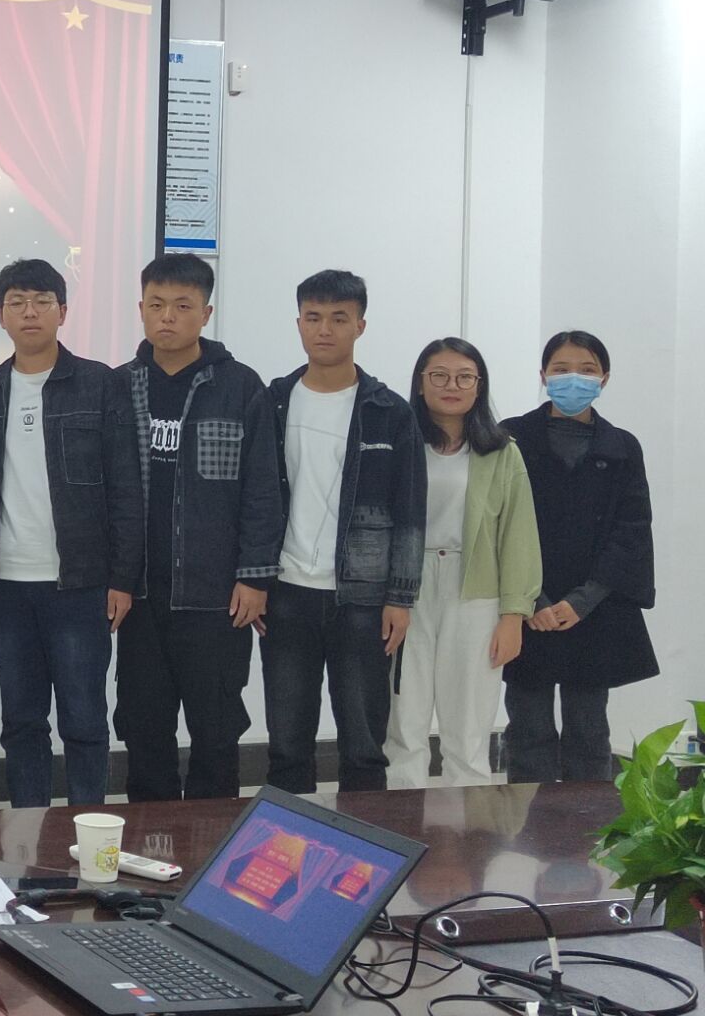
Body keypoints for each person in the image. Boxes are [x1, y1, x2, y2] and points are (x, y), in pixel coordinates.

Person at [0, 259, 144, 807]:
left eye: (42, 301)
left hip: (81, 585)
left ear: (63, 312)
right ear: (0, 315)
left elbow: (126, 487)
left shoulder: (100, 384)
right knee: (21, 722)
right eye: (17, 302)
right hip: (6, 586)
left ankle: (88, 832)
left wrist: (122, 578)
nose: (30, 312)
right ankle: (29, 835)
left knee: (84, 721)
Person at [115, 254, 284, 802]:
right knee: (144, 730)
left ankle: (212, 844)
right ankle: (150, 844)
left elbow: (263, 488)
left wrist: (255, 577)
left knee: (215, 733)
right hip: (141, 596)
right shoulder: (119, 386)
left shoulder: (239, 386)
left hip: (217, 599)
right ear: (141, 309)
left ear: (206, 314)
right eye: (157, 305)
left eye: (183, 306)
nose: (167, 317)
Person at [262, 270, 425, 794]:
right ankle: (288, 844)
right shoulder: (274, 402)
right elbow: (253, 500)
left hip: (364, 599)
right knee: (287, 743)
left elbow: (410, 511)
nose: (324, 329)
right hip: (286, 593)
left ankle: (362, 846)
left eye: (338, 318)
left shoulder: (389, 412)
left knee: (363, 744)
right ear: (298, 324)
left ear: (360, 325)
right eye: (313, 317)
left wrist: (400, 597)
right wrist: (253, 578)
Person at [383, 338, 541, 790]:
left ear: (479, 385)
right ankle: (404, 823)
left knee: (469, 726)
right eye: (439, 375)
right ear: (420, 383)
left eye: (464, 377)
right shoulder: (399, 444)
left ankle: (470, 831)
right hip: (405, 589)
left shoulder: (502, 451)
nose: (451, 385)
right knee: (404, 720)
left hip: (476, 591)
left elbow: (518, 537)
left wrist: (513, 615)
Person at [501, 332, 657, 783]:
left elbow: (632, 529)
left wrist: (581, 601)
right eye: (561, 369)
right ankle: (526, 828)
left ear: (604, 378)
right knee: (527, 729)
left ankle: (587, 825)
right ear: (543, 376)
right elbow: (497, 523)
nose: (574, 379)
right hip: (526, 607)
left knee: (589, 732)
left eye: (587, 370)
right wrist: (532, 600)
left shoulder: (622, 446)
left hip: (593, 609)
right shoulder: (510, 437)